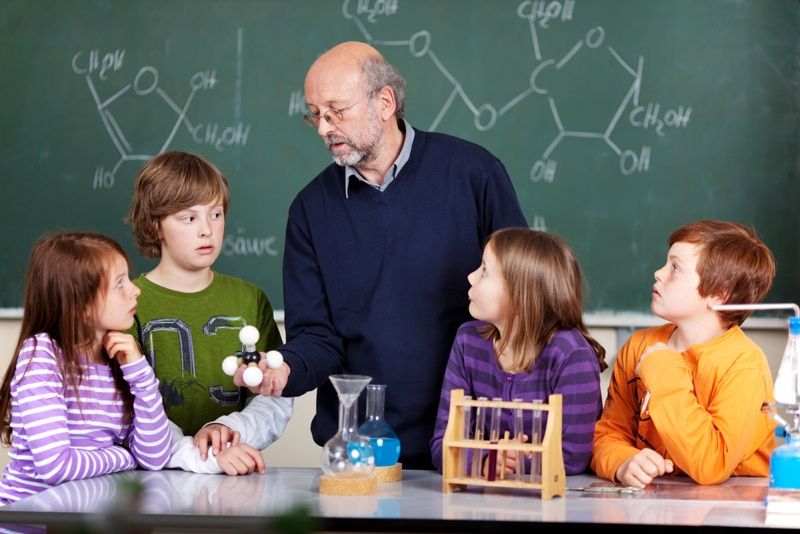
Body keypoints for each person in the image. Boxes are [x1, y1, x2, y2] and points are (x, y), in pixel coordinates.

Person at [238, 41, 528, 469]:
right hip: (362, 451)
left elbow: (524, 297)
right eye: (315, 114)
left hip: (473, 442)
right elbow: (317, 336)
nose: (324, 127)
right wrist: (286, 370)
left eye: (336, 111)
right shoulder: (310, 209)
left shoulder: (474, 174)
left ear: (385, 102)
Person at [126, 150, 292, 474]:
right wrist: (197, 453)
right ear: (154, 226)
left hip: (231, 474)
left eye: (215, 214)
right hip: (148, 483)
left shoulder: (250, 299)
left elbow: (275, 396)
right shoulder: (129, 303)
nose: (207, 230)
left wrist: (230, 433)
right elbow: (125, 408)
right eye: (189, 218)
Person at [591, 220, 777, 488]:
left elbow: (711, 465)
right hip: (657, 500)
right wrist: (622, 462)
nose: (658, 273)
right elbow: (608, 434)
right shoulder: (638, 346)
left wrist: (663, 371)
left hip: (732, 503)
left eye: (675, 268)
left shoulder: (744, 365)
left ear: (718, 294)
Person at [0, 232, 171, 504]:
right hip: (31, 523)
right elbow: (56, 466)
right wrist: (124, 455)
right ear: (81, 305)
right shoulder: (42, 354)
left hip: (89, 518)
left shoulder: (119, 357)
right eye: (119, 284)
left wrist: (140, 372)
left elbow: (155, 457)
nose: (135, 289)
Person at [430, 228, 607, 475]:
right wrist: (485, 462)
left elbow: (573, 457)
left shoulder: (571, 355)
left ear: (519, 296)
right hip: (481, 501)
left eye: (484, 271)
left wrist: (504, 461)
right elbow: (443, 444)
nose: (470, 277)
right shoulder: (467, 341)